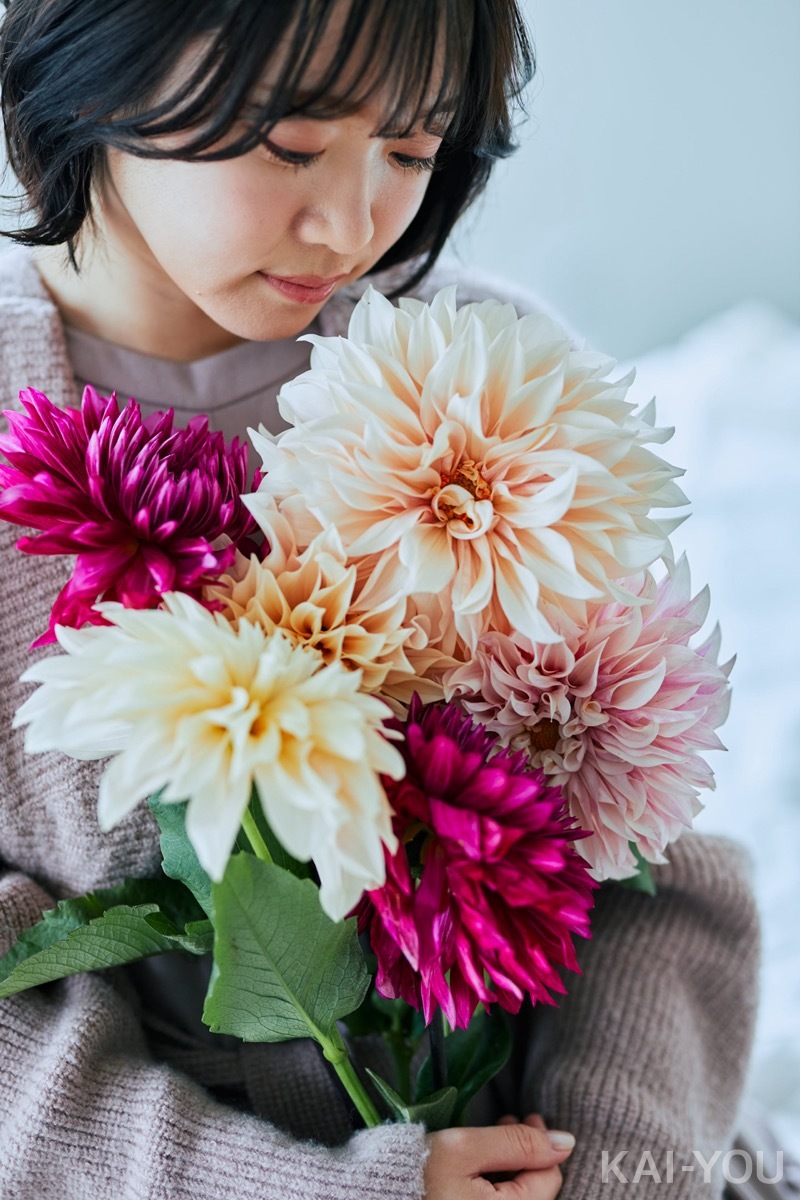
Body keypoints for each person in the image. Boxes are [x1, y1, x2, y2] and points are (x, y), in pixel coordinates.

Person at [0, 1, 760, 1198]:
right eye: (290, 143)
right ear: (89, 74)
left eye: (411, 150)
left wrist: (612, 1169)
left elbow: (655, 865)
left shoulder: (492, 387)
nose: (351, 225)